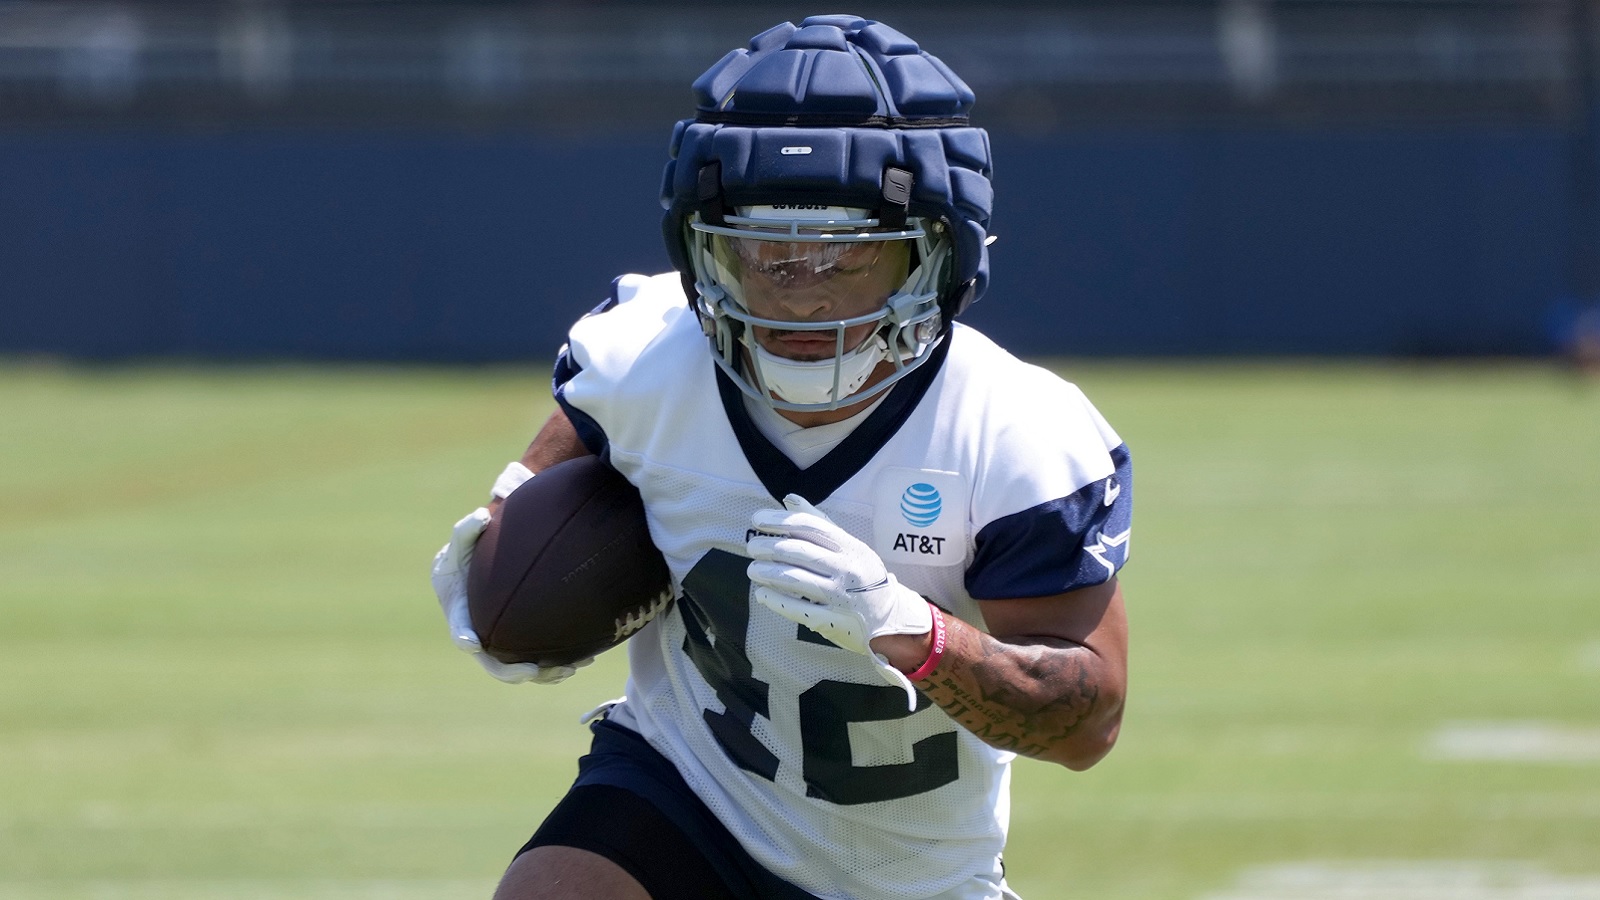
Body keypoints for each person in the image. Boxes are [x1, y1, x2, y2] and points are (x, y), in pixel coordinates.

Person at [430, 14, 1132, 900]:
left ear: (937, 253)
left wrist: (915, 632)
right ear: (700, 252)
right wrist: (499, 574)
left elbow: (1087, 725)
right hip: (685, 787)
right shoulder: (642, 360)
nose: (801, 295)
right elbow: (527, 507)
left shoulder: (1014, 431)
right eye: (765, 253)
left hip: (909, 872)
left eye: (846, 258)